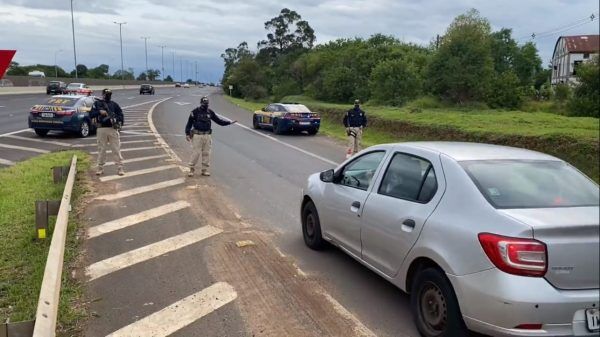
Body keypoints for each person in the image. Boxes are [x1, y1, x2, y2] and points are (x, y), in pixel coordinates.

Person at [185, 96, 236, 177]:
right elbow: (189, 124)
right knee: (196, 153)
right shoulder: (194, 112)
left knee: (206, 153)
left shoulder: (210, 112)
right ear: (201, 103)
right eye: (204, 103)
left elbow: (219, 121)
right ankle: (191, 169)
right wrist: (187, 134)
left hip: (207, 135)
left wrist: (229, 122)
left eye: (207, 104)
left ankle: (204, 170)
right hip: (197, 135)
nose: (205, 105)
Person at [90, 88, 125, 176]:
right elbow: (91, 114)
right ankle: (100, 168)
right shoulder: (97, 104)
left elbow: (121, 115)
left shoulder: (114, 105)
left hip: (112, 129)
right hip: (101, 128)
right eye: (106, 94)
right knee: (102, 149)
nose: (108, 96)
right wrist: (99, 112)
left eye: (109, 94)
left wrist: (116, 120)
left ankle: (120, 168)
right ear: (103, 95)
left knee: (116, 149)